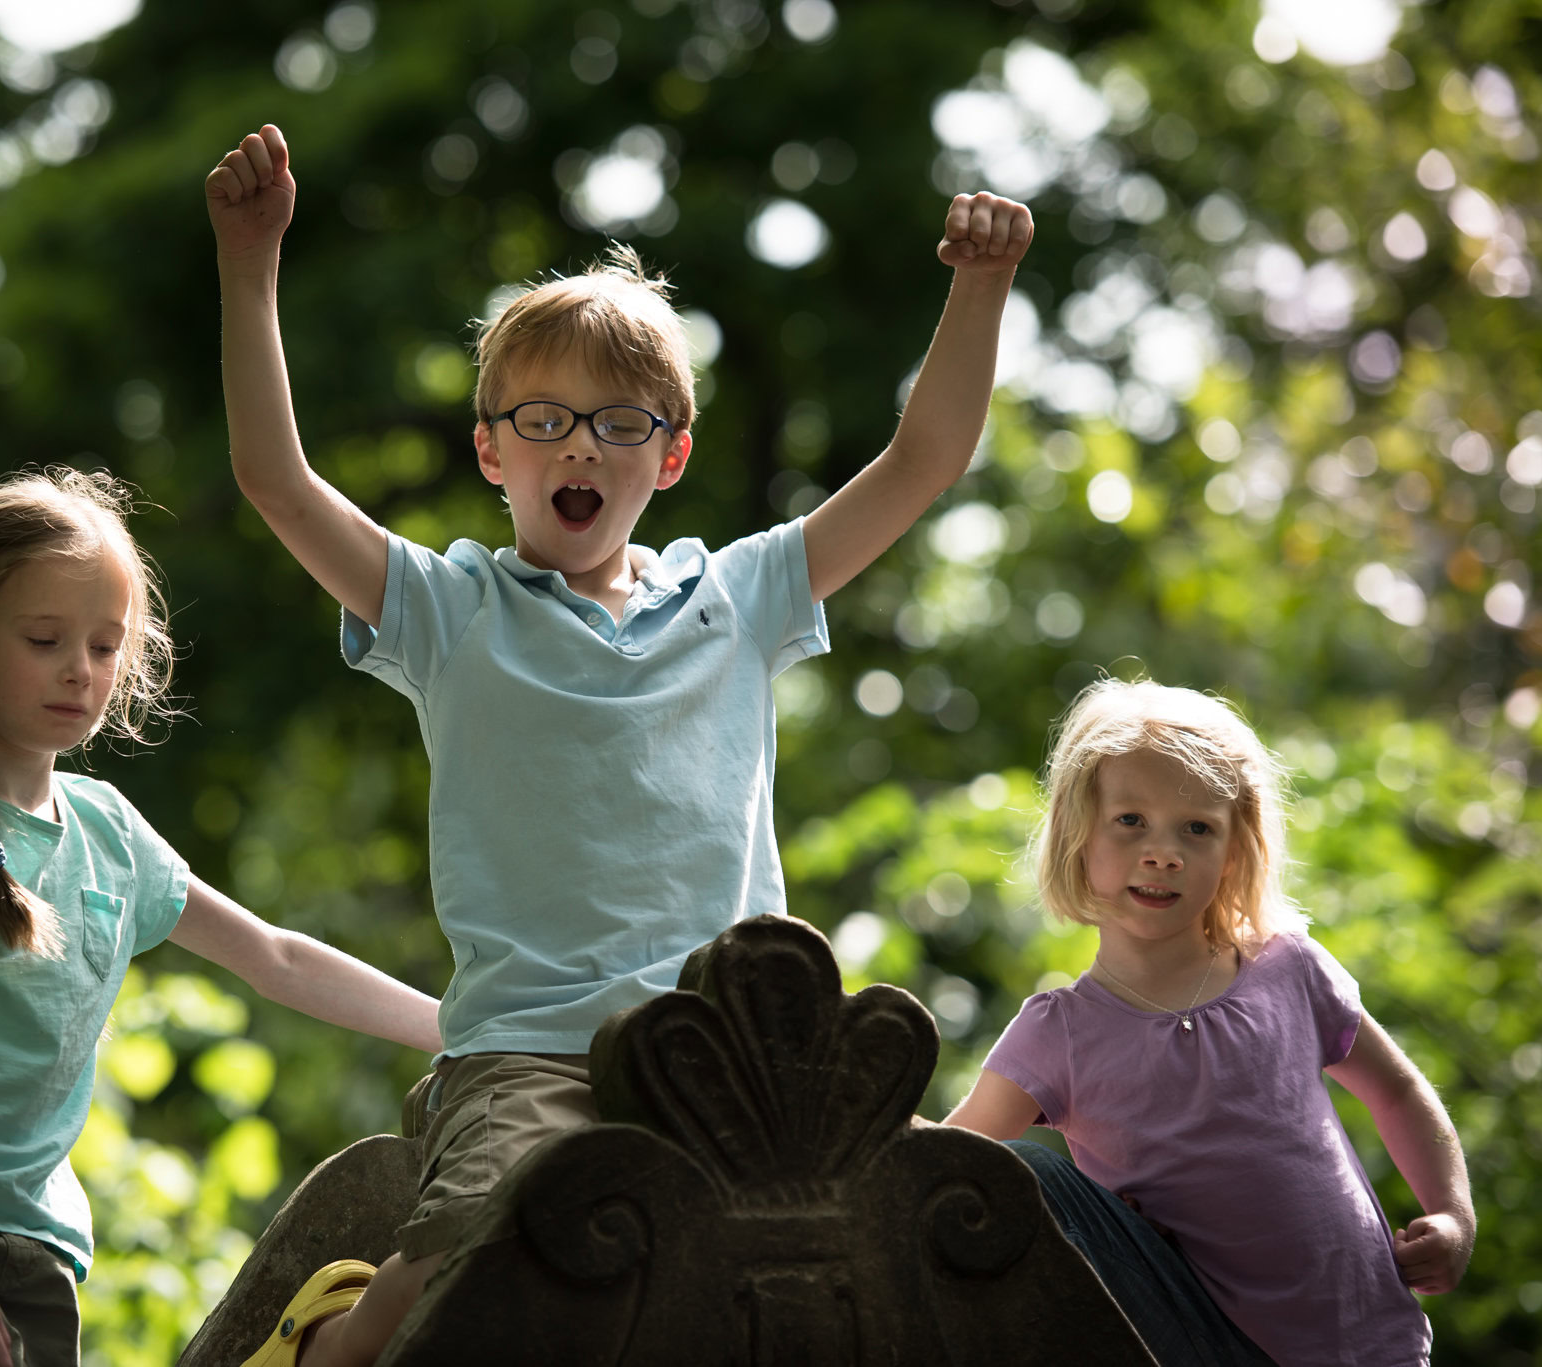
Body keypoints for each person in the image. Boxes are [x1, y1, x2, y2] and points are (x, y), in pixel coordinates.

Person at [206, 122, 1032, 1367]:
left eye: (618, 422)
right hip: (529, 1048)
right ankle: (330, 1339)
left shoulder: (742, 595)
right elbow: (275, 477)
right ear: (489, 451)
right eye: (541, 418)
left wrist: (978, 291)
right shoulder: (447, 608)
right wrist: (249, 264)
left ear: (672, 454)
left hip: (737, 1048)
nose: (579, 444)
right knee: (469, 1251)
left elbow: (921, 461)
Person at [0, 468, 443, 1367]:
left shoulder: (111, 832)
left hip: (27, 1248)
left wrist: (463, 1027)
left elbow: (276, 958)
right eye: (46, 639)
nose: (81, 670)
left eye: (107, 646)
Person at [946, 679, 1475, 1365]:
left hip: (1373, 1340)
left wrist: (1453, 1211)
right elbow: (947, 1160)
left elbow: (1396, 1090)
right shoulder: (1059, 1032)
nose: (1162, 851)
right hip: (1201, 1346)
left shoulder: (1287, 970)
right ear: (1079, 833)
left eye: (1197, 828)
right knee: (1027, 1173)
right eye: (1130, 820)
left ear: (1235, 848)